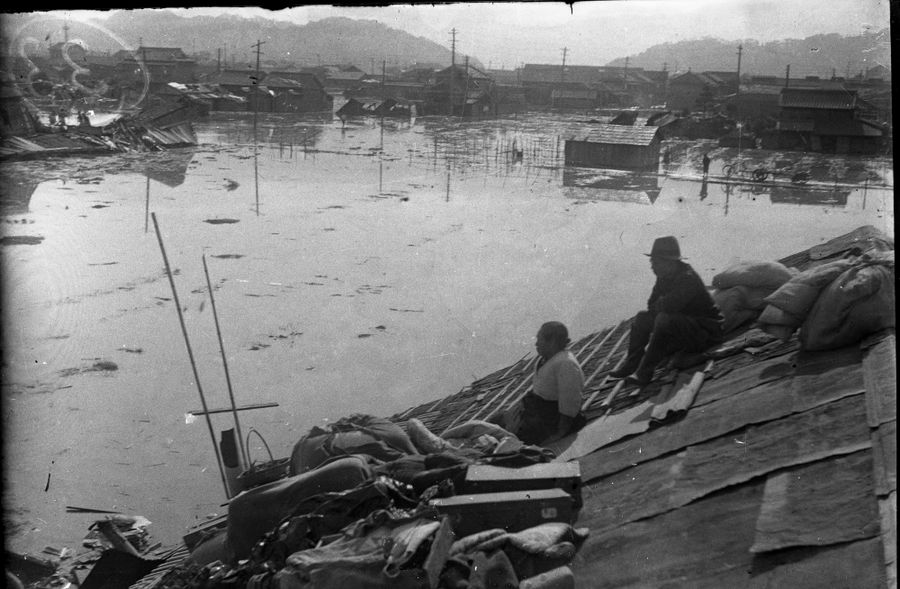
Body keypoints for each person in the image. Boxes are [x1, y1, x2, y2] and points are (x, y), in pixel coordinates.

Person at [609, 236, 723, 388]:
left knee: (663, 318)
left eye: (655, 262)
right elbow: (651, 306)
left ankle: (644, 372)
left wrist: (662, 305)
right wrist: (662, 304)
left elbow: (669, 306)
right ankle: (632, 364)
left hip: (705, 332)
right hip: (685, 329)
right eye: (652, 262)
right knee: (642, 318)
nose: (652, 267)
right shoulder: (664, 278)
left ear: (669, 262)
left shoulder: (687, 278)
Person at [507, 321, 586, 445]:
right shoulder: (545, 359)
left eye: (540, 339)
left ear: (552, 342)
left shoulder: (566, 364)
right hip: (538, 411)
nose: (536, 343)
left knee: (515, 439)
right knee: (500, 423)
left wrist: (560, 433)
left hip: (552, 419)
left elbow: (569, 403)